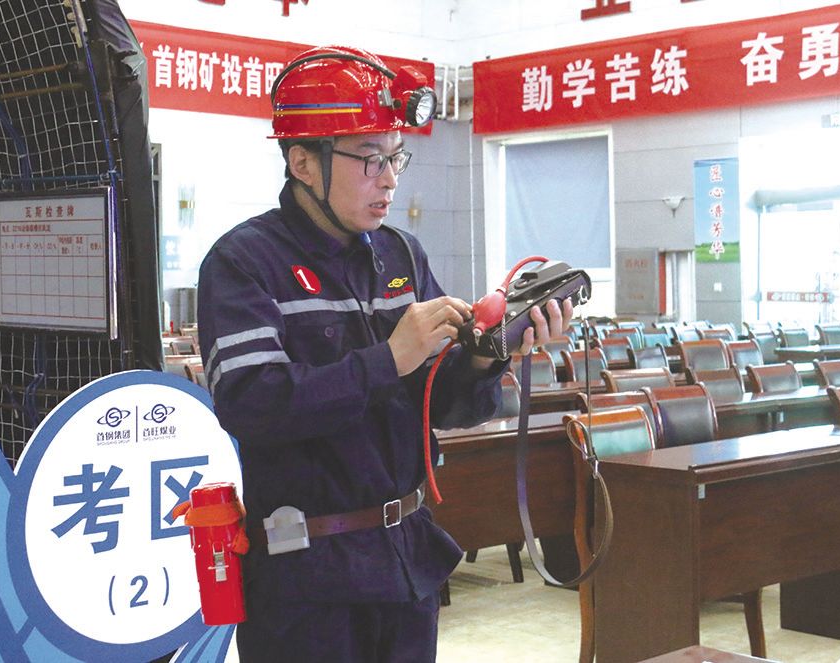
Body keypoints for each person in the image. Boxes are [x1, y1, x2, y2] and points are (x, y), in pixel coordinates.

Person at [196, 45, 573, 662]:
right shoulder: (244, 261)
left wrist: (488, 355)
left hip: (405, 562)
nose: (391, 178)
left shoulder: (400, 254)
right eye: (370, 159)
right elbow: (252, 404)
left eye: (396, 156)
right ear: (303, 162)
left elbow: (438, 406)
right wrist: (388, 358)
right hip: (307, 580)